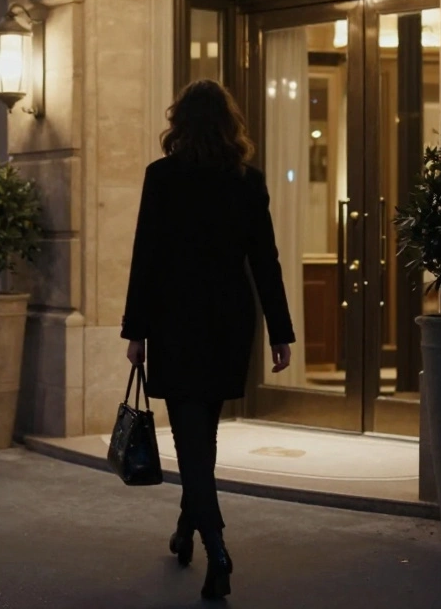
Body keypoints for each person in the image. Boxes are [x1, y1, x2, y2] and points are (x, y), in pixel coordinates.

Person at [121, 79, 295, 601]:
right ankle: (184, 531)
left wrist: (136, 332)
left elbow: (145, 258)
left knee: (192, 435)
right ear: (229, 125)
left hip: (175, 319)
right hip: (227, 319)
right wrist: (280, 332)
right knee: (204, 433)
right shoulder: (247, 181)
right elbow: (265, 260)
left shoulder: (162, 177)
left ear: (180, 123)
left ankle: (215, 543)